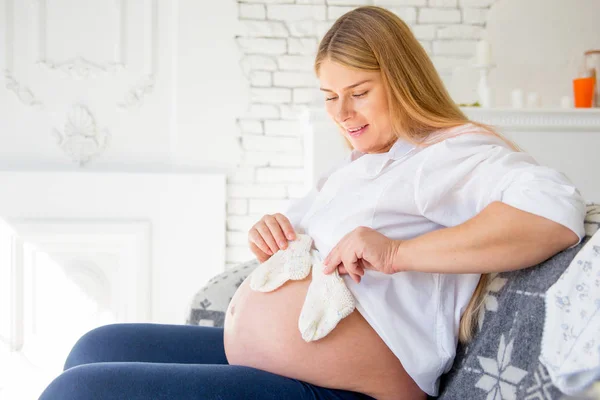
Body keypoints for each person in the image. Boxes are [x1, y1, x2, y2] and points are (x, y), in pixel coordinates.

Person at [38, 6, 585, 400]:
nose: (342, 112)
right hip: (282, 366)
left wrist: (397, 253)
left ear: (402, 80)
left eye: (359, 91)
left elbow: (553, 213)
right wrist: (272, 231)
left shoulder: (450, 153)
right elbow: (299, 236)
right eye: (329, 97)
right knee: (97, 344)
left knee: (79, 391)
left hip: (347, 389)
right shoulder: (362, 165)